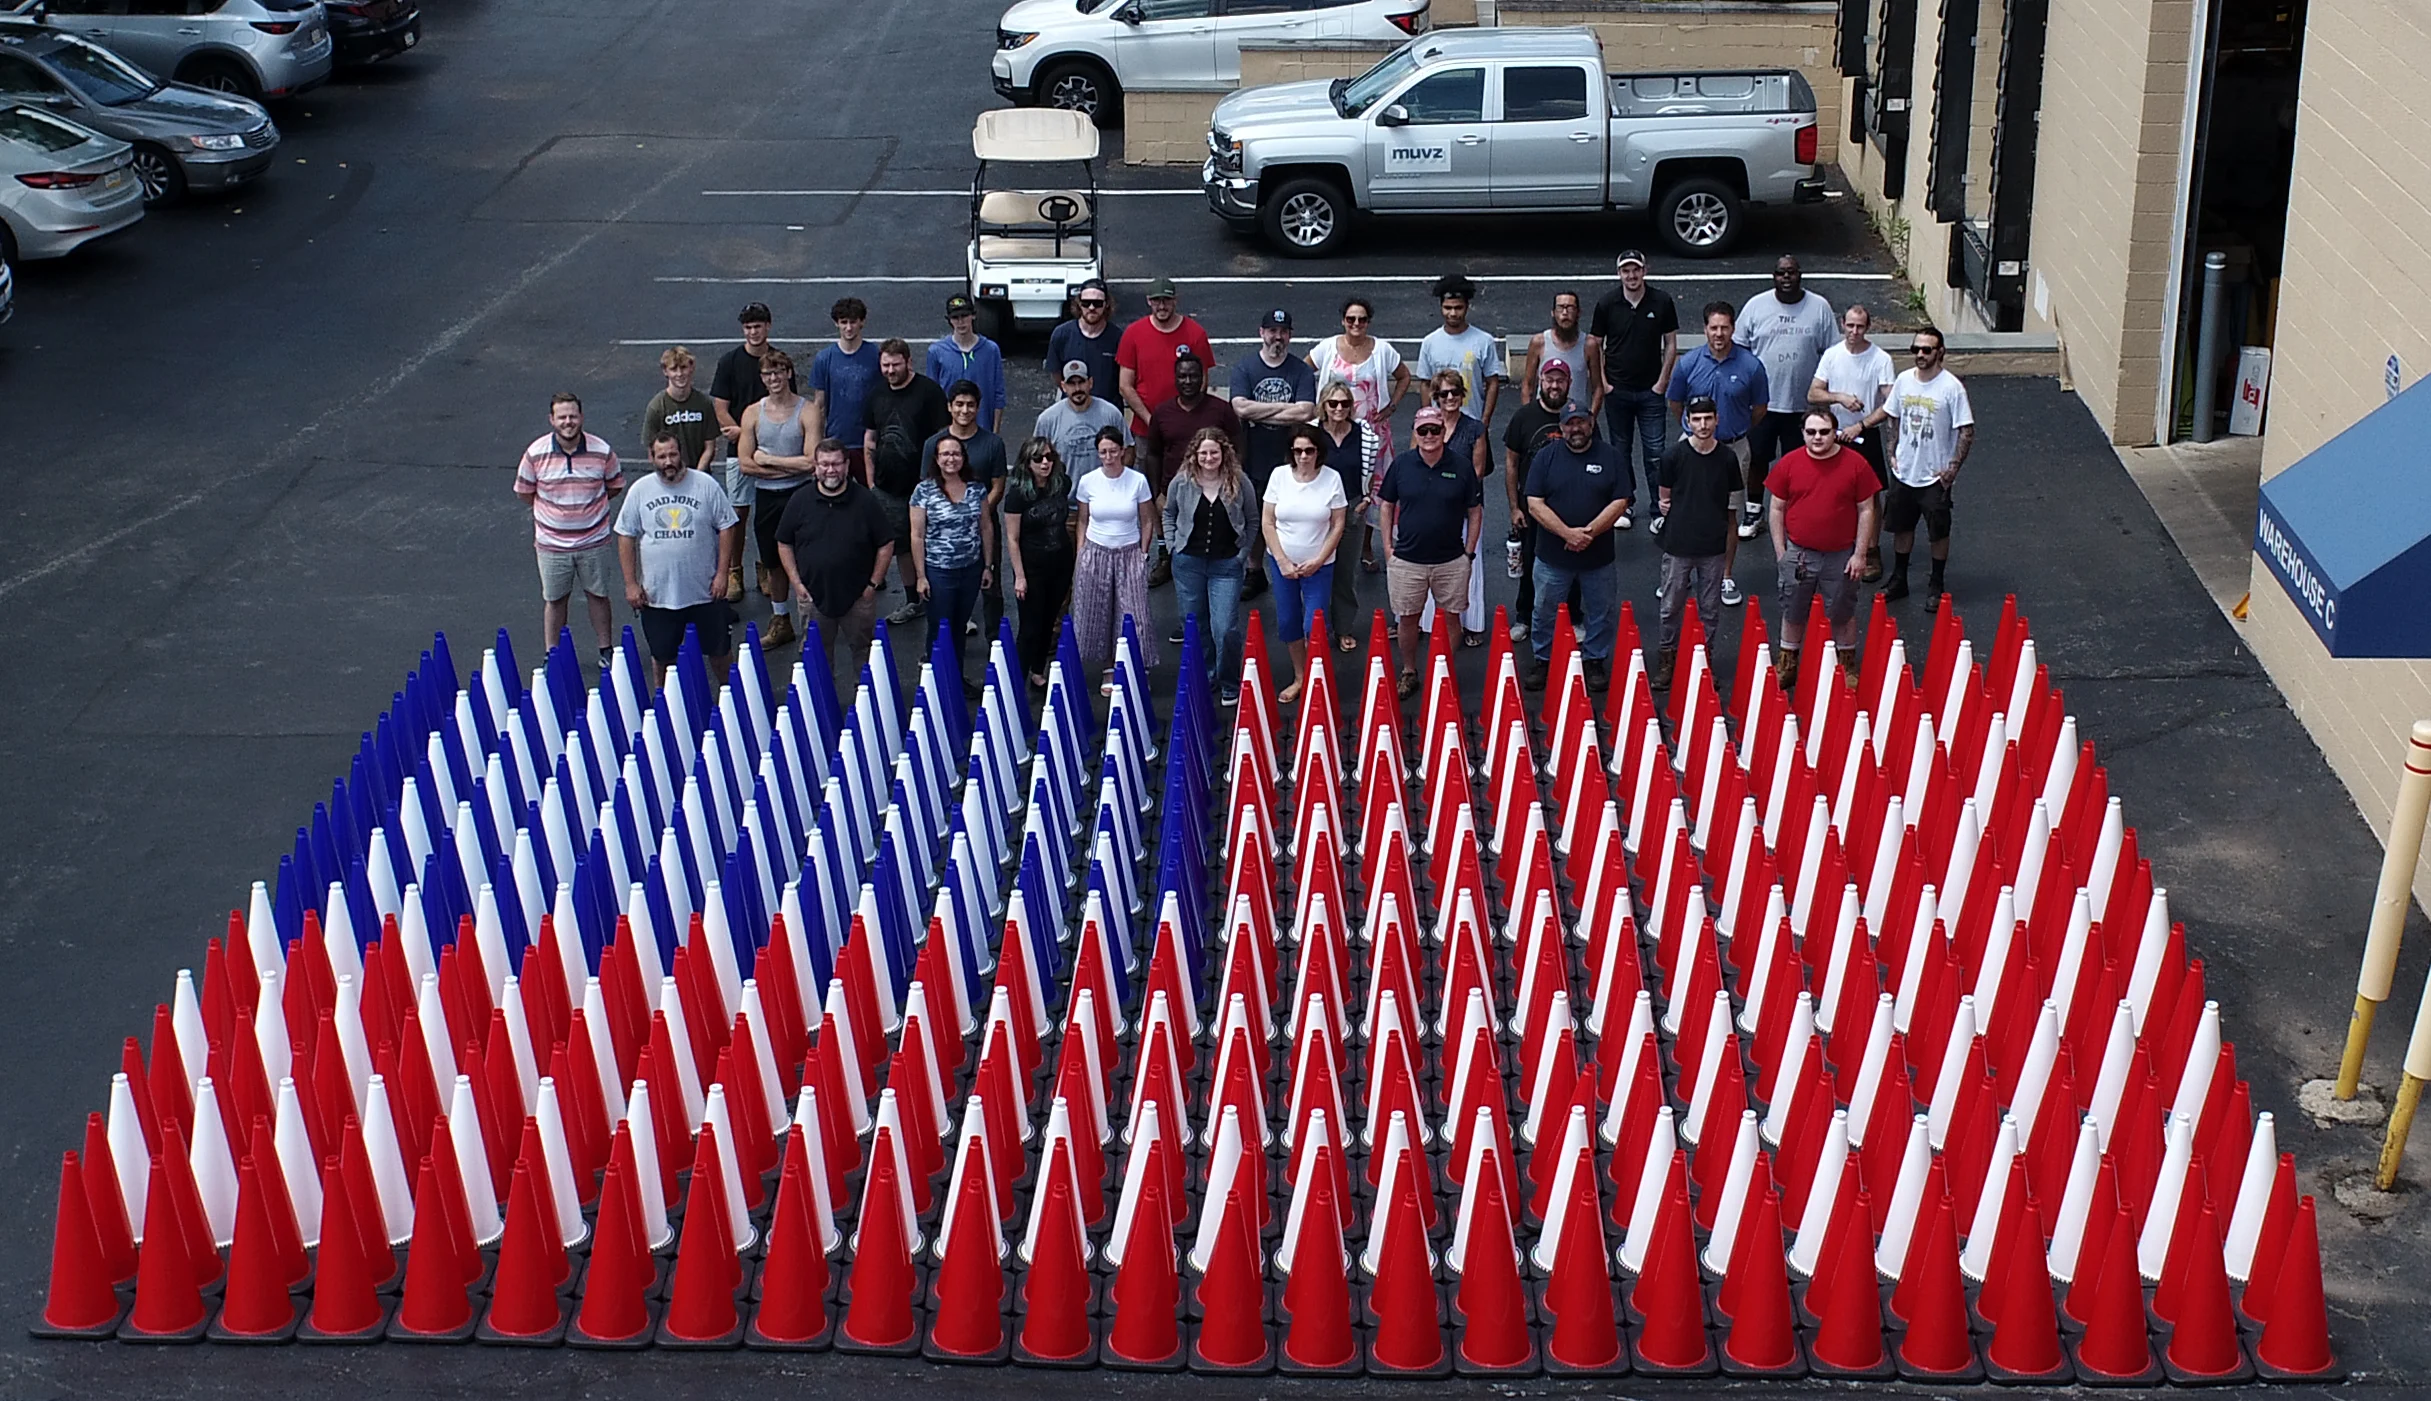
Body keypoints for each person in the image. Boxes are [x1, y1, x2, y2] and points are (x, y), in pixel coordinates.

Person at [616, 431, 741, 688]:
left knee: (720, 654)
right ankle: (666, 707)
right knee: (662, 658)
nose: (668, 461)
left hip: (705, 593)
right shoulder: (640, 490)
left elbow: (728, 526)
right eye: (661, 456)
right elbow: (626, 535)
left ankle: (733, 700)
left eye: (672, 454)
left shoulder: (706, 485)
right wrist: (630, 584)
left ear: (681, 453)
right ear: (651, 458)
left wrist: (722, 574)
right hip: (658, 597)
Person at [1767, 409, 1881, 686]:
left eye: (1824, 432)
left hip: (1841, 556)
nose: (1817, 437)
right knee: (1792, 611)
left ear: (1835, 432)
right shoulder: (1788, 463)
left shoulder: (1856, 464)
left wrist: (1860, 554)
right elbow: (1776, 508)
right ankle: (1787, 664)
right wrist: (1782, 553)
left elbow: (1867, 510)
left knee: (1843, 613)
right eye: (1811, 432)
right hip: (1799, 554)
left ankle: (1847, 667)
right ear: (1803, 433)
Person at [1666, 301, 1770, 606]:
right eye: (1714, 327)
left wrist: (1734, 431)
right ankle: (1679, 576)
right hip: (1692, 448)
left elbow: (1760, 409)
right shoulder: (1688, 363)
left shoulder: (1751, 366)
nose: (1720, 333)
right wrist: (1693, 431)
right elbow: (1675, 403)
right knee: (1682, 510)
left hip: (1733, 448)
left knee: (1728, 514)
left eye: (1725, 327)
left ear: (1733, 329)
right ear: (1705, 329)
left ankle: (1724, 576)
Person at [775, 440, 895, 704]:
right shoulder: (800, 500)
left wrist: (872, 585)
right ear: (815, 467)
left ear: (847, 465)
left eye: (837, 463)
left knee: (864, 654)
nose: (831, 470)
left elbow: (886, 543)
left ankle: (867, 706)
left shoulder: (865, 500)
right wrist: (797, 584)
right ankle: (821, 707)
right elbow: (784, 543)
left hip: (858, 598)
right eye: (825, 464)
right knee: (815, 655)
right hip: (813, 598)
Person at [1379, 405, 1485, 697]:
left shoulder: (1461, 466)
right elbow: (1386, 506)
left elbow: (1475, 511)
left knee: (1452, 619)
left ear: (1443, 432)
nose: (1429, 435)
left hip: (1451, 560)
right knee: (1408, 619)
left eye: (1434, 430)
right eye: (1422, 430)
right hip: (1407, 560)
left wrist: (1468, 553)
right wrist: (1388, 548)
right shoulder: (1401, 465)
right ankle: (1409, 671)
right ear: (1415, 432)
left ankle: (1444, 671)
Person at [513, 392, 625, 668]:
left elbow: (614, 485)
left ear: (582, 417)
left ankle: (605, 650)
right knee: (554, 599)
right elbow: (525, 492)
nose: (568, 422)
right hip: (552, 545)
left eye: (573, 416)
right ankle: (553, 654)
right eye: (562, 417)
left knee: (598, 595)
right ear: (552, 420)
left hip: (594, 541)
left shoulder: (602, 451)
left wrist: (586, 514)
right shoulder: (535, 454)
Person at [1524, 404, 1628, 689]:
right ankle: (1542, 660)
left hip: (1599, 556)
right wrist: (1567, 534)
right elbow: (1534, 503)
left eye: (1581, 422)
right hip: (1552, 557)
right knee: (1543, 610)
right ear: (1562, 427)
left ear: (1592, 424)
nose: (1576, 429)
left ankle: (1594, 660)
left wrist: (1588, 533)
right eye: (1570, 424)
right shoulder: (1546, 457)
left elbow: (1621, 501)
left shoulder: (1611, 457)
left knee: (1601, 611)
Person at [1305, 295, 1411, 572]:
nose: (1356, 324)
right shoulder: (1327, 347)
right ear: (1343, 321)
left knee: (1370, 492)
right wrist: (1313, 409)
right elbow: (1304, 371)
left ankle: (1364, 546)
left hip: (1372, 434)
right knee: (1332, 486)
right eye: (1351, 319)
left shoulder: (1382, 350)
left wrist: (1392, 405)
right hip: (1333, 431)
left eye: (1362, 319)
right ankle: (1328, 542)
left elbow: (1404, 376)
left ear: (1368, 322)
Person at [1737, 256, 1839, 535]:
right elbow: (1740, 349)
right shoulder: (1756, 306)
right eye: (1781, 272)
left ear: (1800, 275)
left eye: (1791, 272)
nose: (1786, 277)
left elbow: (1832, 354)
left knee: (1801, 463)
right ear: (1774, 276)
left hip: (1803, 406)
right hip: (1763, 404)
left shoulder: (1819, 307)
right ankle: (1754, 512)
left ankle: (1796, 513)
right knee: (1758, 459)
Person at [1875, 328, 1974, 609]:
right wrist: (1892, 452)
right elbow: (1893, 417)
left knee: (1938, 531)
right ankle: (1899, 579)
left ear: (1940, 352)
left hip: (1934, 476)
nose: (1920, 354)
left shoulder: (1951, 388)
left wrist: (1952, 468)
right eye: (1916, 349)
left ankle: (1936, 582)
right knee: (1902, 528)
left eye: (1927, 350)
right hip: (1904, 472)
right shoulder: (1904, 380)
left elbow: (1966, 430)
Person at [1229, 307, 1318, 596]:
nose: (1277, 337)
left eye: (1283, 332)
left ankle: (1298, 567)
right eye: (1272, 331)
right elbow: (1240, 407)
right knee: (1255, 517)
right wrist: (1285, 411)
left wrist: (1260, 414)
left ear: (1289, 336)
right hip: (1255, 456)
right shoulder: (1245, 368)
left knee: (1292, 516)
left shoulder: (1300, 370)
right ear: (1261, 333)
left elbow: (1306, 411)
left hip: (1293, 458)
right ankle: (1255, 570)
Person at [1163, 428, 1255, 706]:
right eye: (1203, 452)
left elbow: (1252, 519)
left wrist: (1243, 554)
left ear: (1224, 452)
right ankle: (1206, 676)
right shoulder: (1182, 482)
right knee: (1194, 623)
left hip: (1226, 565)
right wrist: (1171, 545)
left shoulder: (1239, 481)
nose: (1208, 457)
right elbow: (1169, 513)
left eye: (1214, 451)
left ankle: (1229, 680)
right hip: (1188, 563)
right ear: (1195, 454)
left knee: (1224, 627)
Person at [862, 338, 951, 623]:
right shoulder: (875, 395)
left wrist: (936, 483)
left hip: (924, 487)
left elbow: (943, 438)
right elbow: (870, 438)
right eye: (885, 365)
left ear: (909, 362)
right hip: (888, 489)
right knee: (901, 545)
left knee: (935, 543)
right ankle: (914, 601)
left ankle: (945, 603)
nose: (890, 370)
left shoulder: (929, 392)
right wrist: (871, 483)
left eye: (895, 364)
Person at [1142, 347, 1242, 600]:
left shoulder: (1221, 410)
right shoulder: (1162, 413)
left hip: (1214, 495)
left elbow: (1239, 448)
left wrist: (1231, 484)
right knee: (1183, 560)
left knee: (1213, 555)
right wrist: (1157, 493)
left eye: (1194, 376)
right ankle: (1187, 618)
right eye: (1183, 377)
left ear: (1203, 378)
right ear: (1175, 379)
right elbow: (1152, 454)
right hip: (1176, 497)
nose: (1188, 382)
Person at [1588, 249, 1678, 526]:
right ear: (1619, 274)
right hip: (1619, 392)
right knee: (1620, 451)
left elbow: (1671, 343)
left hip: (1651, 392)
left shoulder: (1661, 301)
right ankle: (1625, 506)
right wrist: (1603, 383)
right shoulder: (1607, 303)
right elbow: (1595, 344)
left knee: (1655, 454)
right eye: (1626, 270)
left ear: (1645, 271)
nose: (1631, 275)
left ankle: (1657, 510)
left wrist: (1662, 382)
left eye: (1636, 269)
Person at [1651, 397, 1736, 688]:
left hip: (1712, 547)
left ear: (1716, 420)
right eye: (1696, 419)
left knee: (1710, 609)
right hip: (1678, 545)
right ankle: (1667, 659)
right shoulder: (1673, 456)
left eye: (1708, 419)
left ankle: (1704, 660)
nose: (1702, 425)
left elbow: (1730, 501)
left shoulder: (1727, 458)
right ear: (1687, 420)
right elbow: (1664, 495)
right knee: (1671, 605)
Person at [1808, 303, 1897, 578]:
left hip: (1864, 433)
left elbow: (1891, 402)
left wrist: (1861, 424)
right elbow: (1814, 393)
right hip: (1833, 432)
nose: (1854, 332)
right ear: (1842, 324)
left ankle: (1871, 550)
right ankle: (1834, 544)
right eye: (1850, 326)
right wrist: (1840, 397)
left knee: (1870, 493)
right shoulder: (1832, 356)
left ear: (1867, 328)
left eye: (1860, 327)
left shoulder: (1881, 359)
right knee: (1831, 490)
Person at [736, 348, 818, 649]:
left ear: (789, 373)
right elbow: (745, 464)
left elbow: (811, 463)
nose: (774, 378)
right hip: (767, 497)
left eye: (779, 372)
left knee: (806, 558)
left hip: (801, 495)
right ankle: (781, 619)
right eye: (768, 374)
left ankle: (811, 620)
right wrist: (786, 465)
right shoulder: (752, 413)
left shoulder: (807, 411)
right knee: (772, 560)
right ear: (762, 378)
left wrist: (767, 461)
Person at [1263, 424, 1349, 705]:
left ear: (1318, 452)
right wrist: (1282, 560)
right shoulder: (1278, 476)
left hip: (1319, 565)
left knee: (1316, 623)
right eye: (1297, 450)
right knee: (1288, 621)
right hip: (1283, 563)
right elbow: (1267, 522)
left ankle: (1317, 675)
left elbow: (1337, 524)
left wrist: (1318, 560)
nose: (1303, 456)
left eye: (1309, 450)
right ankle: (1301, 676)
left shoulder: (1332, 479)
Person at [711, 301, 791, 602]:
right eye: (748, 327)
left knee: (769, 513)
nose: (753, 331)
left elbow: (788, 400)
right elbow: (720, 406)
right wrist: (746, 438)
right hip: (740, 452)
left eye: (758, 325)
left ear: (768, 326)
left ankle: (766, 567)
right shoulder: (729, 362)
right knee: (738, 514)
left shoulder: (778, 362)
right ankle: (734, 571)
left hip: (777, 450)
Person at [1070, 426, 1159, 691]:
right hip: (1096, 552)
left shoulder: (1137, 481)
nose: (1108, 457)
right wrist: (1081, 552)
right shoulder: (1088, 481)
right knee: (1100, 611)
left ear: (1122, 451)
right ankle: (1109, 667)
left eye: (1113, 451)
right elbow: (1083, 520)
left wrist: (1143, 553)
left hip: (1129, 552)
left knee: (1134, 613)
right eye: (1103, 452)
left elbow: (1146, 520)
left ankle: (1133, 665)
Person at [910, 432, 994, 693]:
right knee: (939, 628)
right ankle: (935, 684)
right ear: (936, 458)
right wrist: (921, 576)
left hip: (970, 570)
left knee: (959, 627)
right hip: (939, 572)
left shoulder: (977, 488)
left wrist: (988, 565)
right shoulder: (923, 491)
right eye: (945, 454)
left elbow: (986, 527)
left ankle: (955, 679)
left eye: (956, 453)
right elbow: (917, 535)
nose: (951, 459)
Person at [1501, 357, 1578, 641]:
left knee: (1574, 563)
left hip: (1570, 508)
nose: (1554, 385)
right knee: (1530, 563)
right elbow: (1510, 464)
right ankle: (1524, 618)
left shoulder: (1576, 414)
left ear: (1569, 383)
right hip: (1531, 508)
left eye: (1560, 380)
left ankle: (1574, 616)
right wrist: (1513, 507)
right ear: (1540, 383)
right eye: (1549, 379)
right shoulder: (1524, 417)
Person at [927, 378, 1010, 639]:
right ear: (949, 407)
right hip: (943, 535)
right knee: (944, 592)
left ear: (978, 408)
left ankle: (995, 643)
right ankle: (941, 648)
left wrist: (977, 512)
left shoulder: (992, 443)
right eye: (959, 404)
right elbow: (926, 487)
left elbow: (998, 484)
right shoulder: (934, 444)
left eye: (971, 405)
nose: (965, 410)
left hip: (984, 527)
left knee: (991, 586)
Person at [1416, 369, 1493, 648]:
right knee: (1430, 564)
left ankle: (1470, 624)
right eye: (1443, 393)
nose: (1449, 398)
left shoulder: (1475, 429)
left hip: (1464, 509)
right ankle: (1429, 622)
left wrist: (1449, 497)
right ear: (1435, 398)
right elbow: (1415, 464)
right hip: (1429, 512)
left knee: (1467, 566)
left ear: (1463, 395)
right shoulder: (1425, 425)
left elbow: (1477, 471)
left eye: (1454, 392)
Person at [1308, 384, 1381, 655]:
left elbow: (1371, 468)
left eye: (1344, 403)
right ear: (1324, 405)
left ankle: (1343, 628)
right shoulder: (1311, 433)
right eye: (1333, 403)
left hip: (1351, 508)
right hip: (1317, 511)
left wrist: (1366, 498)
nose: (1339, 409)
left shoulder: (1364, 435)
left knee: (1345, 572)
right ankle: (1317, 627)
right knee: (1317, 570)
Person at [1002, 437, 1078, 688]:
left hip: (1060, 562)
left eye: (1049, 457)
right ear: (1027, 462)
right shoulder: (1017, 494)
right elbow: (1012, 539)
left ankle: (1037, 669)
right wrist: (1020, 576)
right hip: (1031, 567)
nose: (1045, 463)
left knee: (1049, 620)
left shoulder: (1061, 484)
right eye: (1038, 458)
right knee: (1030, 627)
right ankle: (1017, 678)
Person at [1115, 275, 1213, 440]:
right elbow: (1125, 386)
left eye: (1166, 300)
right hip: (1145, 430)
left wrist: (1184, 418)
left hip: (1185, 428)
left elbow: (1202, 381)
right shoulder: (1133, 334)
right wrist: (1150, 421)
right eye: (1156, 301)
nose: (1161, 306)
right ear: (1148, 301)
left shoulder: (1196, 333)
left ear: (1175, 300)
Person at [1417, 274, 1504, 431]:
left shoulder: (1484, 341)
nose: (1453, 313)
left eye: (1458, 308)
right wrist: (1429, 417)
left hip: (1473, 425)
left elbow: (1493, 382)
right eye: (1448, 308)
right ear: (1441, 307)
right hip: (1440, 428)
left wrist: (1484, 421)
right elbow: (1425, 383)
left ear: (1467, 307)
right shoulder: (1429, 342)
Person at [808, 296, 880, 480]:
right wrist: (817, 443)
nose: (849, 328)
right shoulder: (824, 358)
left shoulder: (876, 356)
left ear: (862, 322)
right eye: (844, 322)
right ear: (836, 324)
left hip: (868, 442)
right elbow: (819, 404)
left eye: (853, 322)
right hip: (836, 442)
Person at [1034, 360, 1128, 483]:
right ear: (1063, 386)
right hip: (1063, 497)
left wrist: (1116, 482)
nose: (1077, 388)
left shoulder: (1111, 414)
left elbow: (1128, 450)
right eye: (1071, 383)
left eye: (1081, 382)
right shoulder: (1047, 419)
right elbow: (1035, 458)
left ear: (1090, 383)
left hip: (1102, 496)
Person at [927, 294, 1006, 432]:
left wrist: (995, 432)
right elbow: (932, 397)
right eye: (955, 318)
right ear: (949, 320)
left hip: (982, 431)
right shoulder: (936, 352)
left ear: (973, 316)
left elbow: (998, 394)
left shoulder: (991, 350)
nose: (960, 322)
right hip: (949, 433)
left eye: (964, 316)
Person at [644, 346, 721, 477]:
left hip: (700, 475)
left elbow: (710, 447)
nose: (679, 374)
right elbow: (652, 451)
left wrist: (696, 475)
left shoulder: (704, 403)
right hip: (670, 477)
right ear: (665, 371)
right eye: (674, 369)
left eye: (684, 367)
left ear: (692, 368)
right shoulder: (656, 407)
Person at [1521, 290, 1600, 416]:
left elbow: (1597, 388)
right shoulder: (1539, 342)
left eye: (1570, 308)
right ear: (1553, 313)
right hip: (1544, 415)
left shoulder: (1589, 345)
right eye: (1560, 308)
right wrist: (1528, 416)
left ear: (1578, 313)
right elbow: (1528, 385)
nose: (1565, 313)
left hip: (1576, 420)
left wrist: (1591, 418)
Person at [1044, 277, 1121, 396]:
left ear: (1107, 304)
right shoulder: (1061, 335)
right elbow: (1056, 372)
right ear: (1079, 304)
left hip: (1108, 409)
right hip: (1073, 409)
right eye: (1086, 303)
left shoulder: (1118, 338)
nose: (1091, 308)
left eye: (1097, 303)